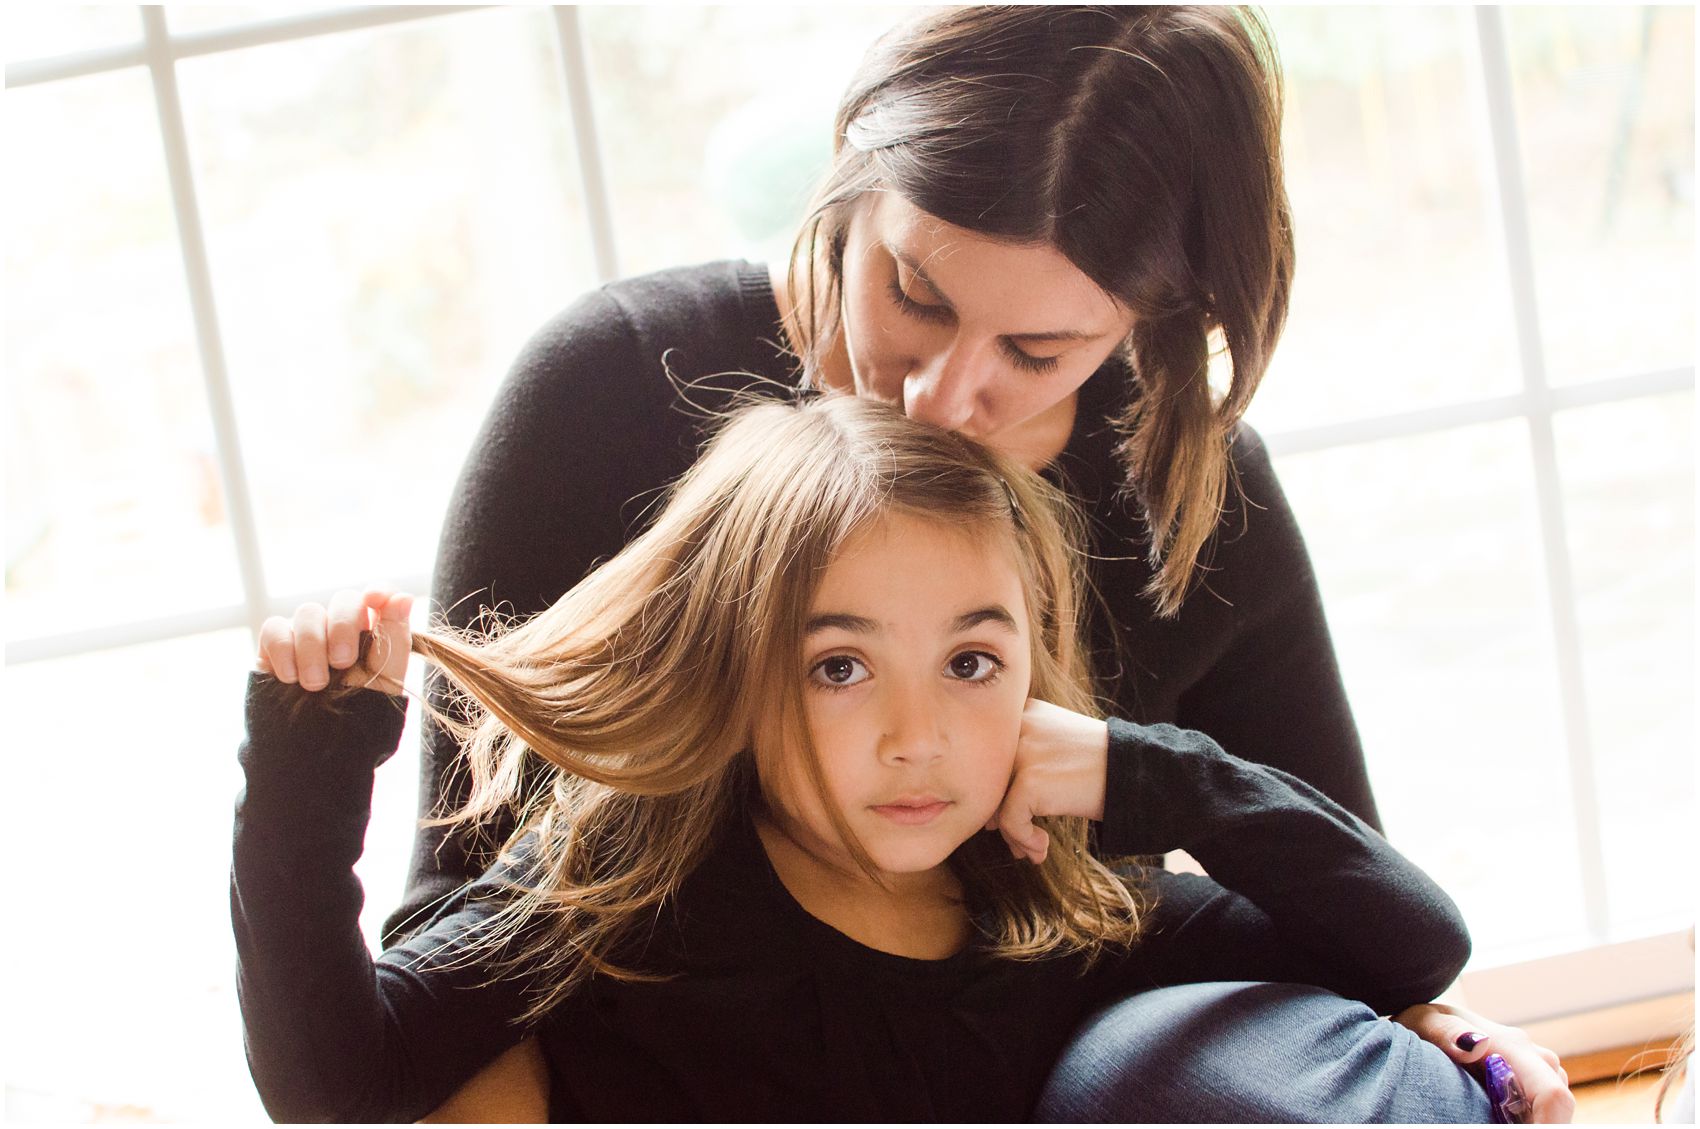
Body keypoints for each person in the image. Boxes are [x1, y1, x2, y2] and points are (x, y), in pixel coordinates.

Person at [378, 4, 1572, 1118]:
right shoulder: (610, 393)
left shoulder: (1189, 484)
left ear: (1143, 322)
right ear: (850, 180)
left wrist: (1407, 1037)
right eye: (914, 293)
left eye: (1039, 350)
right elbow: (452, 931)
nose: (942, 397)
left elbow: (1330, 882)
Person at [235, 396, 1494, 1122]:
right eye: (838, 666)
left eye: (970, 663)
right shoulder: (619, 895)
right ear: (741, 669)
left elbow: (1407, 944)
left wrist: (1141, 770)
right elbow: (332, 1084)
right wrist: (309, 763)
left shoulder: (1059, 908)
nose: (916, 737)